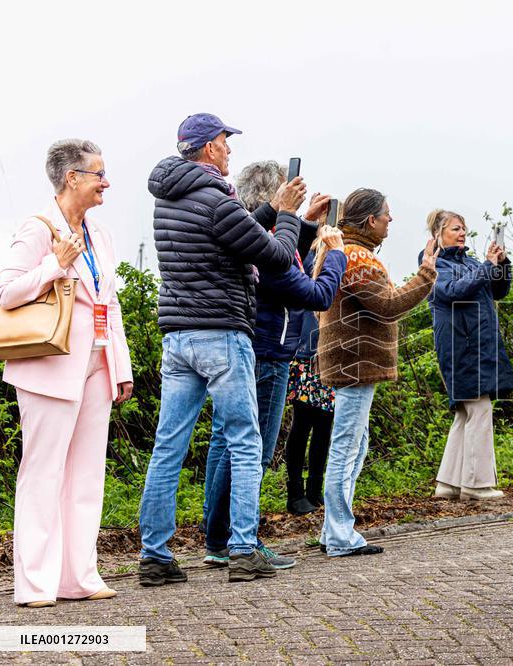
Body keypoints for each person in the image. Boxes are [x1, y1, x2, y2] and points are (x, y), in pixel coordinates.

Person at [139, 114, 304, 585]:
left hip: (178, 338)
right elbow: (270, 256)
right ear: (210, 147)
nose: (230, 150)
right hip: (223, 336)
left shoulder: (169, 199)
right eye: (226, 142)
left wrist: (270, 210)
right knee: (244, 441)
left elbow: (233, 234)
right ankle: (243, 549)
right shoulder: (216, 198)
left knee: (168, 445)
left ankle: (155, 556)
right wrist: (289, 215)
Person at [0, 139, 133, 607]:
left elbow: (108, 304)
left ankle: (79, 576)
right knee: (43, 472)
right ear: (72, 177)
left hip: (96, 363)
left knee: (87, 474)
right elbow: (5, 292)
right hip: (47, 367)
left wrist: (121, 364)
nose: (106, 182)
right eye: (99, 174)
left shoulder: (102, 234)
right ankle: (34, 584)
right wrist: (54, 267)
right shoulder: (37, 229)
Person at [201, 161, 347, 569]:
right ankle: (240, 539)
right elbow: (311, 291)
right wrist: (335, 254)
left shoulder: (248, 236)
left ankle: (216, 538)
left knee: (224, 443)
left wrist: (302, 223)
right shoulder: (263, 244)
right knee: (254, 450)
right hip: (267, 352)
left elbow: (287, 256)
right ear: (273, 196)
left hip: (247, 346)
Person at [317, 188, 438, 556]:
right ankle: (339, 535)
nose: (390, 221)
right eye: (387, 214)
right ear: (370, 220)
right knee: (346, 447)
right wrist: (426, 274)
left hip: (350, 363)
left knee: (355, 445)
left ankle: (333, 530)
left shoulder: (346, 252)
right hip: (355, 364)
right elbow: (388, 306)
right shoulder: (358, 258)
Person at [423, 209, 513, 501]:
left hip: (480, 344)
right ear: (438, 234)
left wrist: (499, 264)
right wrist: (486, 267)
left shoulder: (472, 262)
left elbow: (498, 291)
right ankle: (476, 483)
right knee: (479, 408)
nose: (462, 233)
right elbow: (452, 291)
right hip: (460, 345)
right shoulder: (435, 264)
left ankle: (448, 483)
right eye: (455, 229)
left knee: (466, 411)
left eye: (463, 229)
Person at [284, 278, 337, 515]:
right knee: (302, 423)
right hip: (305, 353)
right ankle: (295, 493)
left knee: (324, 424)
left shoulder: (339, 258)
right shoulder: (306, 258)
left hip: (331, 355)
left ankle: (315, 489)